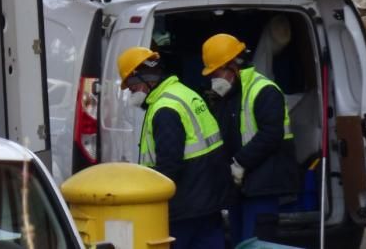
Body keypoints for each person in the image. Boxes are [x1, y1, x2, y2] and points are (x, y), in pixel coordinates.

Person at [117, 46, 229, 249]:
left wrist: (147, 197)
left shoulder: (165, 108)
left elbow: (169, 166)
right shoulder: (184, 93)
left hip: (184, 207)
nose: (131, 91)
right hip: (209, 201)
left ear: (143, 78)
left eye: (131, 85)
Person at [201, 33, 299, 246]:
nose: (214, 79)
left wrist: (240, 162)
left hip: (264, 184)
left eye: (216, 72)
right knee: (240, 242)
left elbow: (271, 134)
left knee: (256, 243)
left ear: (232, 66)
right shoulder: (229, 96)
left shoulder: (264, 91)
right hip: (241, 188)